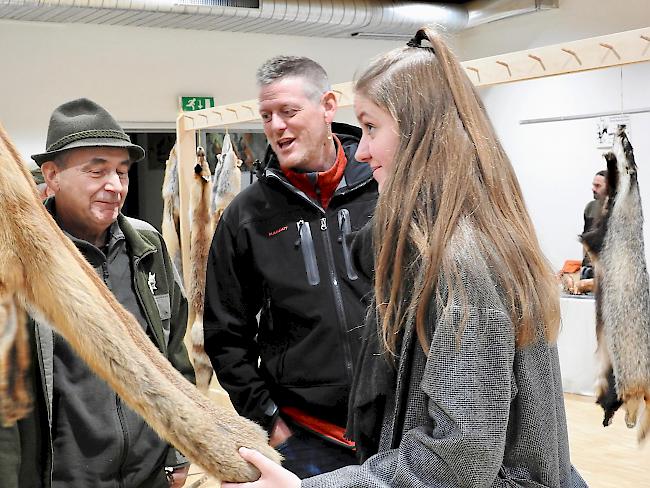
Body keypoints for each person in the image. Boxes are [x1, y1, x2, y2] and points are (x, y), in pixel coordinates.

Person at [221, 28, 587, 488]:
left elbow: (459, 457)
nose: (365, 148)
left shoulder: (461, 263)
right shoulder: (460, 243)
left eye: (372, 127)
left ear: (420, 133)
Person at [0, 98, 194, 488]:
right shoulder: (18, 263)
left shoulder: (147, 246)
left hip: (149, 476)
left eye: (122, 171)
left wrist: (180, 448)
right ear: (52, 176)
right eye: (96, 171)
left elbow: (173, 354)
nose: (115, 185)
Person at [203, 56, 378, 478]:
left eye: (289, 112)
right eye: (266, 116)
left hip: (396, 427)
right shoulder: (247, 215)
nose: (277, 127)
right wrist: (270, 423)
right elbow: (225, 334)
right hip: (305, 438)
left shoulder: (384, 187)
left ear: (329, 106)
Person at [581, 170, 607, 277]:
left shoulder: (617, 212)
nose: (593, 189)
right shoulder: (590, 207)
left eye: (598, 186)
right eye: (593, 185)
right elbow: (585, 240)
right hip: (589, 268)